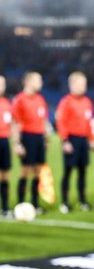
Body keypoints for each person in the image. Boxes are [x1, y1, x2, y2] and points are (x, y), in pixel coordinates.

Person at [56, 71, 94, 213]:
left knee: (82, 171)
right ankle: (65, 202)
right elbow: (61, 122)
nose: (83, 86)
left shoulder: (87, 102)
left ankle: (82, 201)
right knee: (68, 172)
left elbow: (89, 123)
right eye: (80, 84)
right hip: (71, 139)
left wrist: (92, 140)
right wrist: (65, 140)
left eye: (84, 84)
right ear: (72, 85)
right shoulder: (66, 102)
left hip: (83, 140)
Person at [11, 71, 49, 214]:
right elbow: (15, 123)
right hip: (27, 137)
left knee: (37, 172)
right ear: (28, 82)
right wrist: (17, 143)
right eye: (38, 80)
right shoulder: (19, 100)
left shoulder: (40, 99)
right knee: (25, 171)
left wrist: (46, 138)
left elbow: (44, 120)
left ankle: (35, 203)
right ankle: (21, 203)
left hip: (39, 138)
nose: (41, 83)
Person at [0, 76, 12, 218]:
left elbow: (13, 124)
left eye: (3, 84)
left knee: (5, 175)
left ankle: (5, 208)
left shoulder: (7, 103)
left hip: (4, 141)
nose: (2, 86)